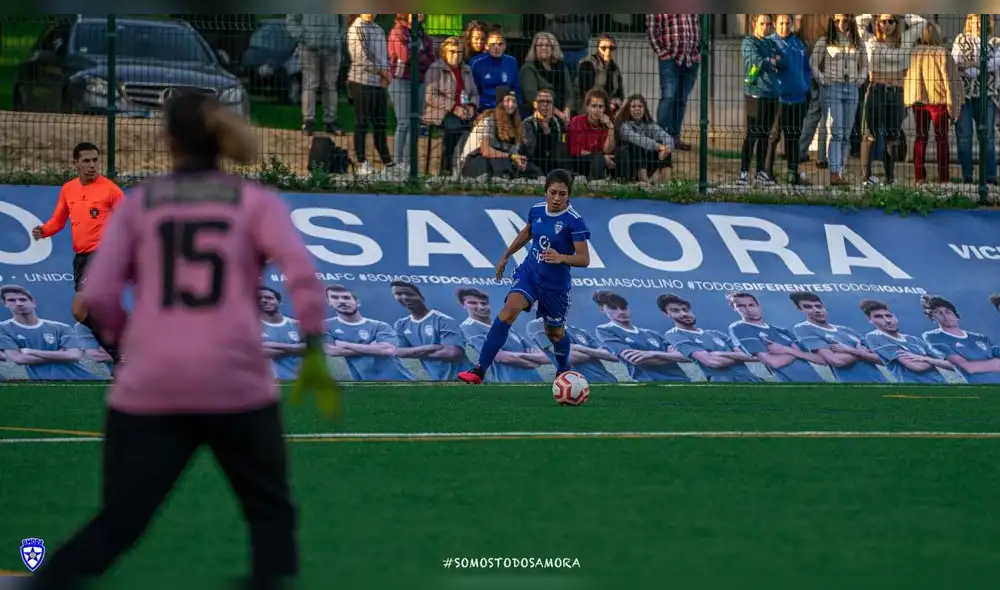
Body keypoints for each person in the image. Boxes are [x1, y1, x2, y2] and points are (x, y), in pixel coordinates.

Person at [24, 90, 335, 590]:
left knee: (119, 522)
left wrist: (132, 344)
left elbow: (97, 297)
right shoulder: (254, 201)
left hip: (150, 384)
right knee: (270, 516)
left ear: (169, 140)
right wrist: (314, 347)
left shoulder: (142, 203)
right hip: (235, 381)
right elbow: (302, 276)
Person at [458, 169, 590, 384]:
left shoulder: (574, 221)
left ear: (569, 195)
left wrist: (561, 257)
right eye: (553, 192)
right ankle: (479, 370)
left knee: (554, 334)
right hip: (530, 273)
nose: (557, 198)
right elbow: (528, 232)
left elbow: (584, 259)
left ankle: (563, 369)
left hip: (555, 285)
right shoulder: (537, 210)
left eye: (562, 194)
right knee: (508, 312)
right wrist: (507, 254)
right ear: (545, 191)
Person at [31, 141, 125, 364]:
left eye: (95, 160)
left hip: (102, 256)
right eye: (86, 161)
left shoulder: (111, 190)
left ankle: (120, 349)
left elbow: (130, 220)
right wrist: (44, 230)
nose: (92, 165)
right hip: (81, 258)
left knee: (79, 309)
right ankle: (121, 350)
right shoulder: (68, 189)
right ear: (76, 164)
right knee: (90, 312)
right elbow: (58, 220)